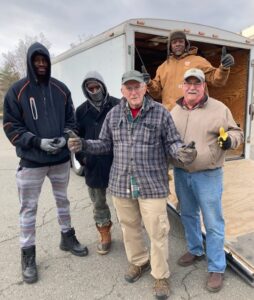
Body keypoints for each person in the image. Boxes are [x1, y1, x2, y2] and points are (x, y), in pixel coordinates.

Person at [68, 70, 197, 299]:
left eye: (137, 87)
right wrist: (84, 145)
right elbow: (105, 144)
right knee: (129, 228)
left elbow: (173, 143)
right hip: (121, 184)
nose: (133, 91)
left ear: (145, 88)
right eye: (129, 88)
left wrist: (182, 152)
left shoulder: (160, 113)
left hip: (152, 185)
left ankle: (160, 276)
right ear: (122, 91)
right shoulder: (114, 114)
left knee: (157, 231)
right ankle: (139, 262)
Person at [3, 42, 88, 284]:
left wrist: (65, 136)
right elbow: (10, 126)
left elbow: (72, 119)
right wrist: (37, 142)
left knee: (63, 201)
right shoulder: (17, 91)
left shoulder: (61, 89)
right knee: (28, 209)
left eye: (44, 60)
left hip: (60, 160)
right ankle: (27, 255)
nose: (41, 64)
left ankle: (67, 237)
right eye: (36, 60)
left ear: (48, 62)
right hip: (32, 161)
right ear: (30, 62)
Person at [170, 68, 243, 292]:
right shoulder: (175, 110)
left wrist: (229, 142)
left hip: (208, 175)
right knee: (188, 214)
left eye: (197, 83)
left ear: (204, 86)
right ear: (183, 86)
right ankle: (195, 248)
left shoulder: (219, 108)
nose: (192, 87)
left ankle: (216, 267)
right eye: (188, 83)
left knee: (213, 222)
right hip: (182, 174)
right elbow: (168, 139)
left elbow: (237, 132)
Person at [75, 71, 119, 254]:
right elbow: (76, 138)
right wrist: (82, 158)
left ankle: (132, 233)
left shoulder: (117, 105)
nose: (94, 90)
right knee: (99, 202)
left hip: (118, 162)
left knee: (127, 202)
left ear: (103, 85)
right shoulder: (81, 111)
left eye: (96, 86)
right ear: (85, 90)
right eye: (90, 88)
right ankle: (104, 233)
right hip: (93, 163)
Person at [145, 30, 234, 111]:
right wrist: (149, 83)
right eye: (174, 42)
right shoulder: (163, 67)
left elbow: (217, 80)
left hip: (195, 114)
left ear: (186, 44)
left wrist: (223, 68)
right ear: (170, 46)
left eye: (181, 41)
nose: (178, 44)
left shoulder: (198, 61)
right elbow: (157, 94)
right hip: (171, 117)